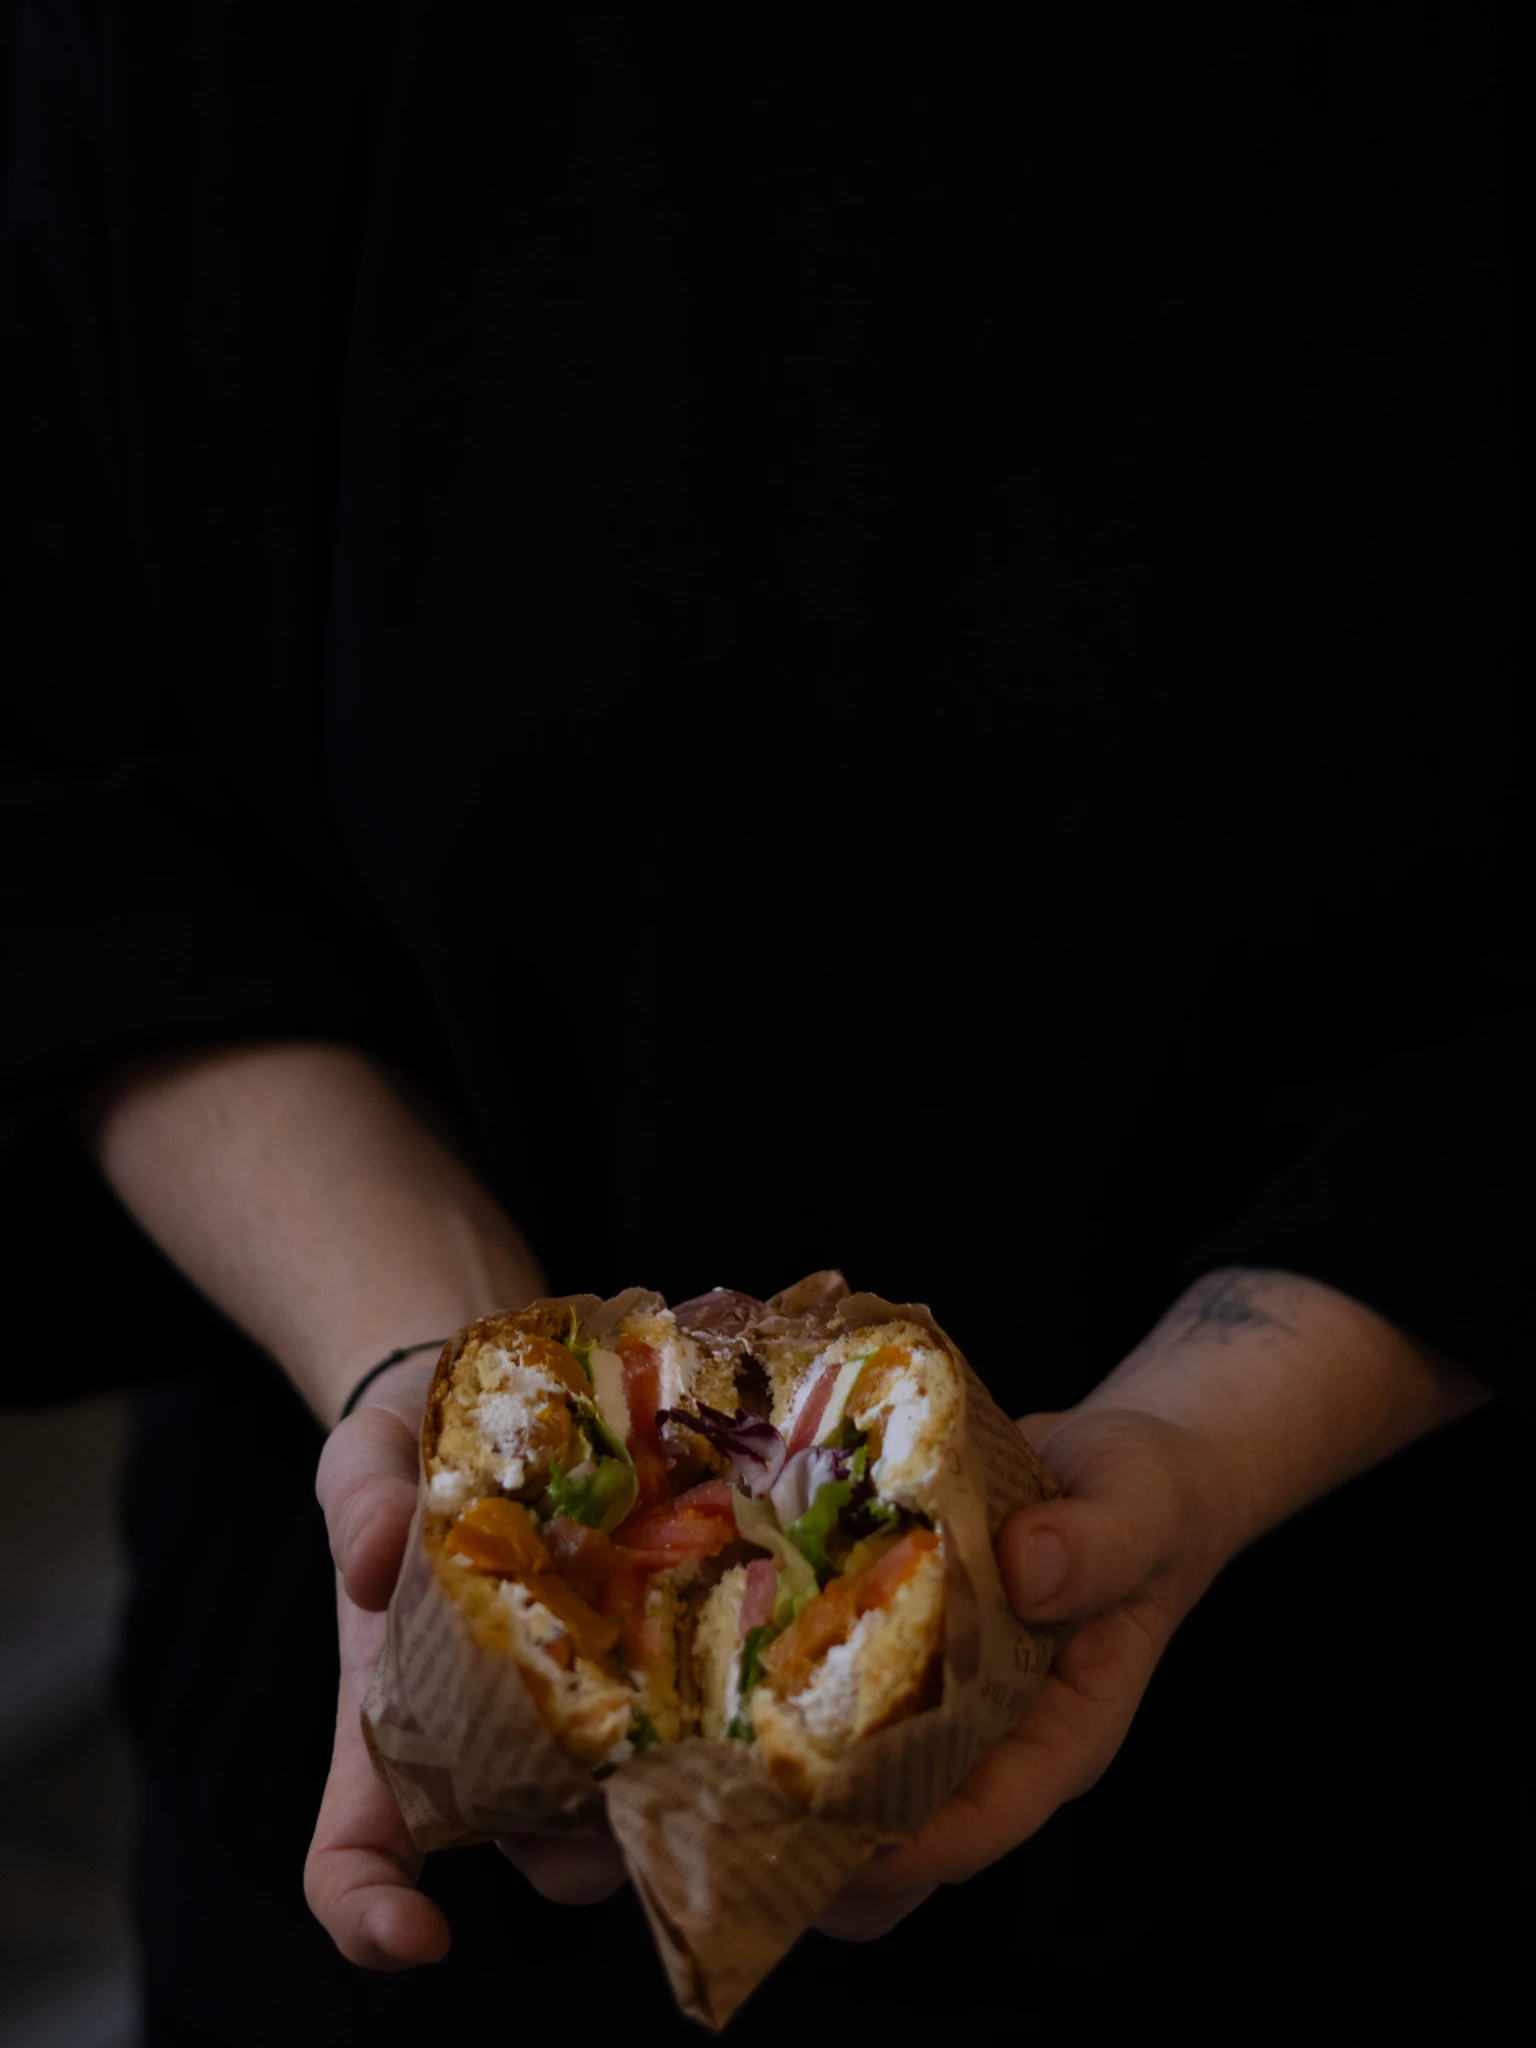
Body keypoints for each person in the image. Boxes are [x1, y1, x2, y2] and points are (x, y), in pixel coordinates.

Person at [2, 3, 1527, 2036]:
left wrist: (1203, 1443)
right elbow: (72, 796)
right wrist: (431, 1368)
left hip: (1371, 1799)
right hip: (389, 1796)